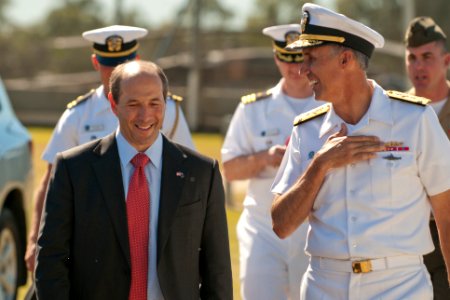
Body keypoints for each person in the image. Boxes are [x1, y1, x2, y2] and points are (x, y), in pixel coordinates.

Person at [271, 3, 450, 299]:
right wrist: (321, 165)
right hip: (324, 288)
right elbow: (281, 224)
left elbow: (446, 214)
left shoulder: (415, 120)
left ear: (345, 59)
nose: (303, 70)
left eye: (311, 58)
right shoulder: (306, 130)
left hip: (400, 287)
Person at [35, 60, 232, 299]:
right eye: (134, 104)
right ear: (113, 103)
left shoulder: (201, 172)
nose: (145, 115)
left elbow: (217, 268)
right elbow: (50, 259)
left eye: (154, 103)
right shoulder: (73, 169)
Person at [24, 25, 195, 273]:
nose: (116, 71)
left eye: (124, 62)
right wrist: (33, 241)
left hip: (155, 231)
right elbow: (50, 180)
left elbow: (189, 175)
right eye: (108, 64)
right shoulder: (78, 115)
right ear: (95, 62)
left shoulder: (166, 110)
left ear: (136, 60)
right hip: (89, 235)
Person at [221, 24, 322, 300]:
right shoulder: (253, 108)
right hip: (263, 228)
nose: (295, 68)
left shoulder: (331, 105)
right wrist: (266, 158)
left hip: (315, 227)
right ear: (277, 58)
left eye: (301, 58)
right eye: (287, 59)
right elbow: (229, 168)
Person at [404, 16, 450, 299]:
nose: (419, 66)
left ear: (446, 60)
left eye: (427, 57)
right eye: (412, 57)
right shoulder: (395, 111)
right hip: (410, 238)